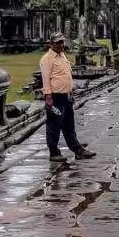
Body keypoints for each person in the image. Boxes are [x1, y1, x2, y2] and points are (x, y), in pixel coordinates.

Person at [39, 33, 96, 163]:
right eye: (58, 43)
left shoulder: (62, 56)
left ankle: (78, 150)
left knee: (69, 124)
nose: (61, 45)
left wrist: (71, 90)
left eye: (62, 42)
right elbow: (45, 79)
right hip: (55, 97)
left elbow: (66, 74)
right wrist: (48, 97)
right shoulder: (47, 59)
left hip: (66, 95)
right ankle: (54, 153)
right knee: (54, 125)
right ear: (51, 44)